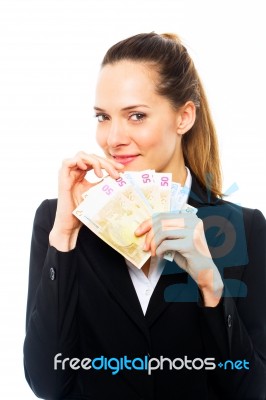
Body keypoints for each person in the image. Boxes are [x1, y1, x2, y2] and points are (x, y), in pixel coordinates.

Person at [23, 32, 266, 400]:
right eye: (103, 117)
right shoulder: (60, 221)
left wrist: (210, 287)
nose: (113, 138)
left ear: (184, 116)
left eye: (136, 115)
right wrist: (65, 238)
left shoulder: (244, 229)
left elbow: (252, 389)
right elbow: (48, 384)